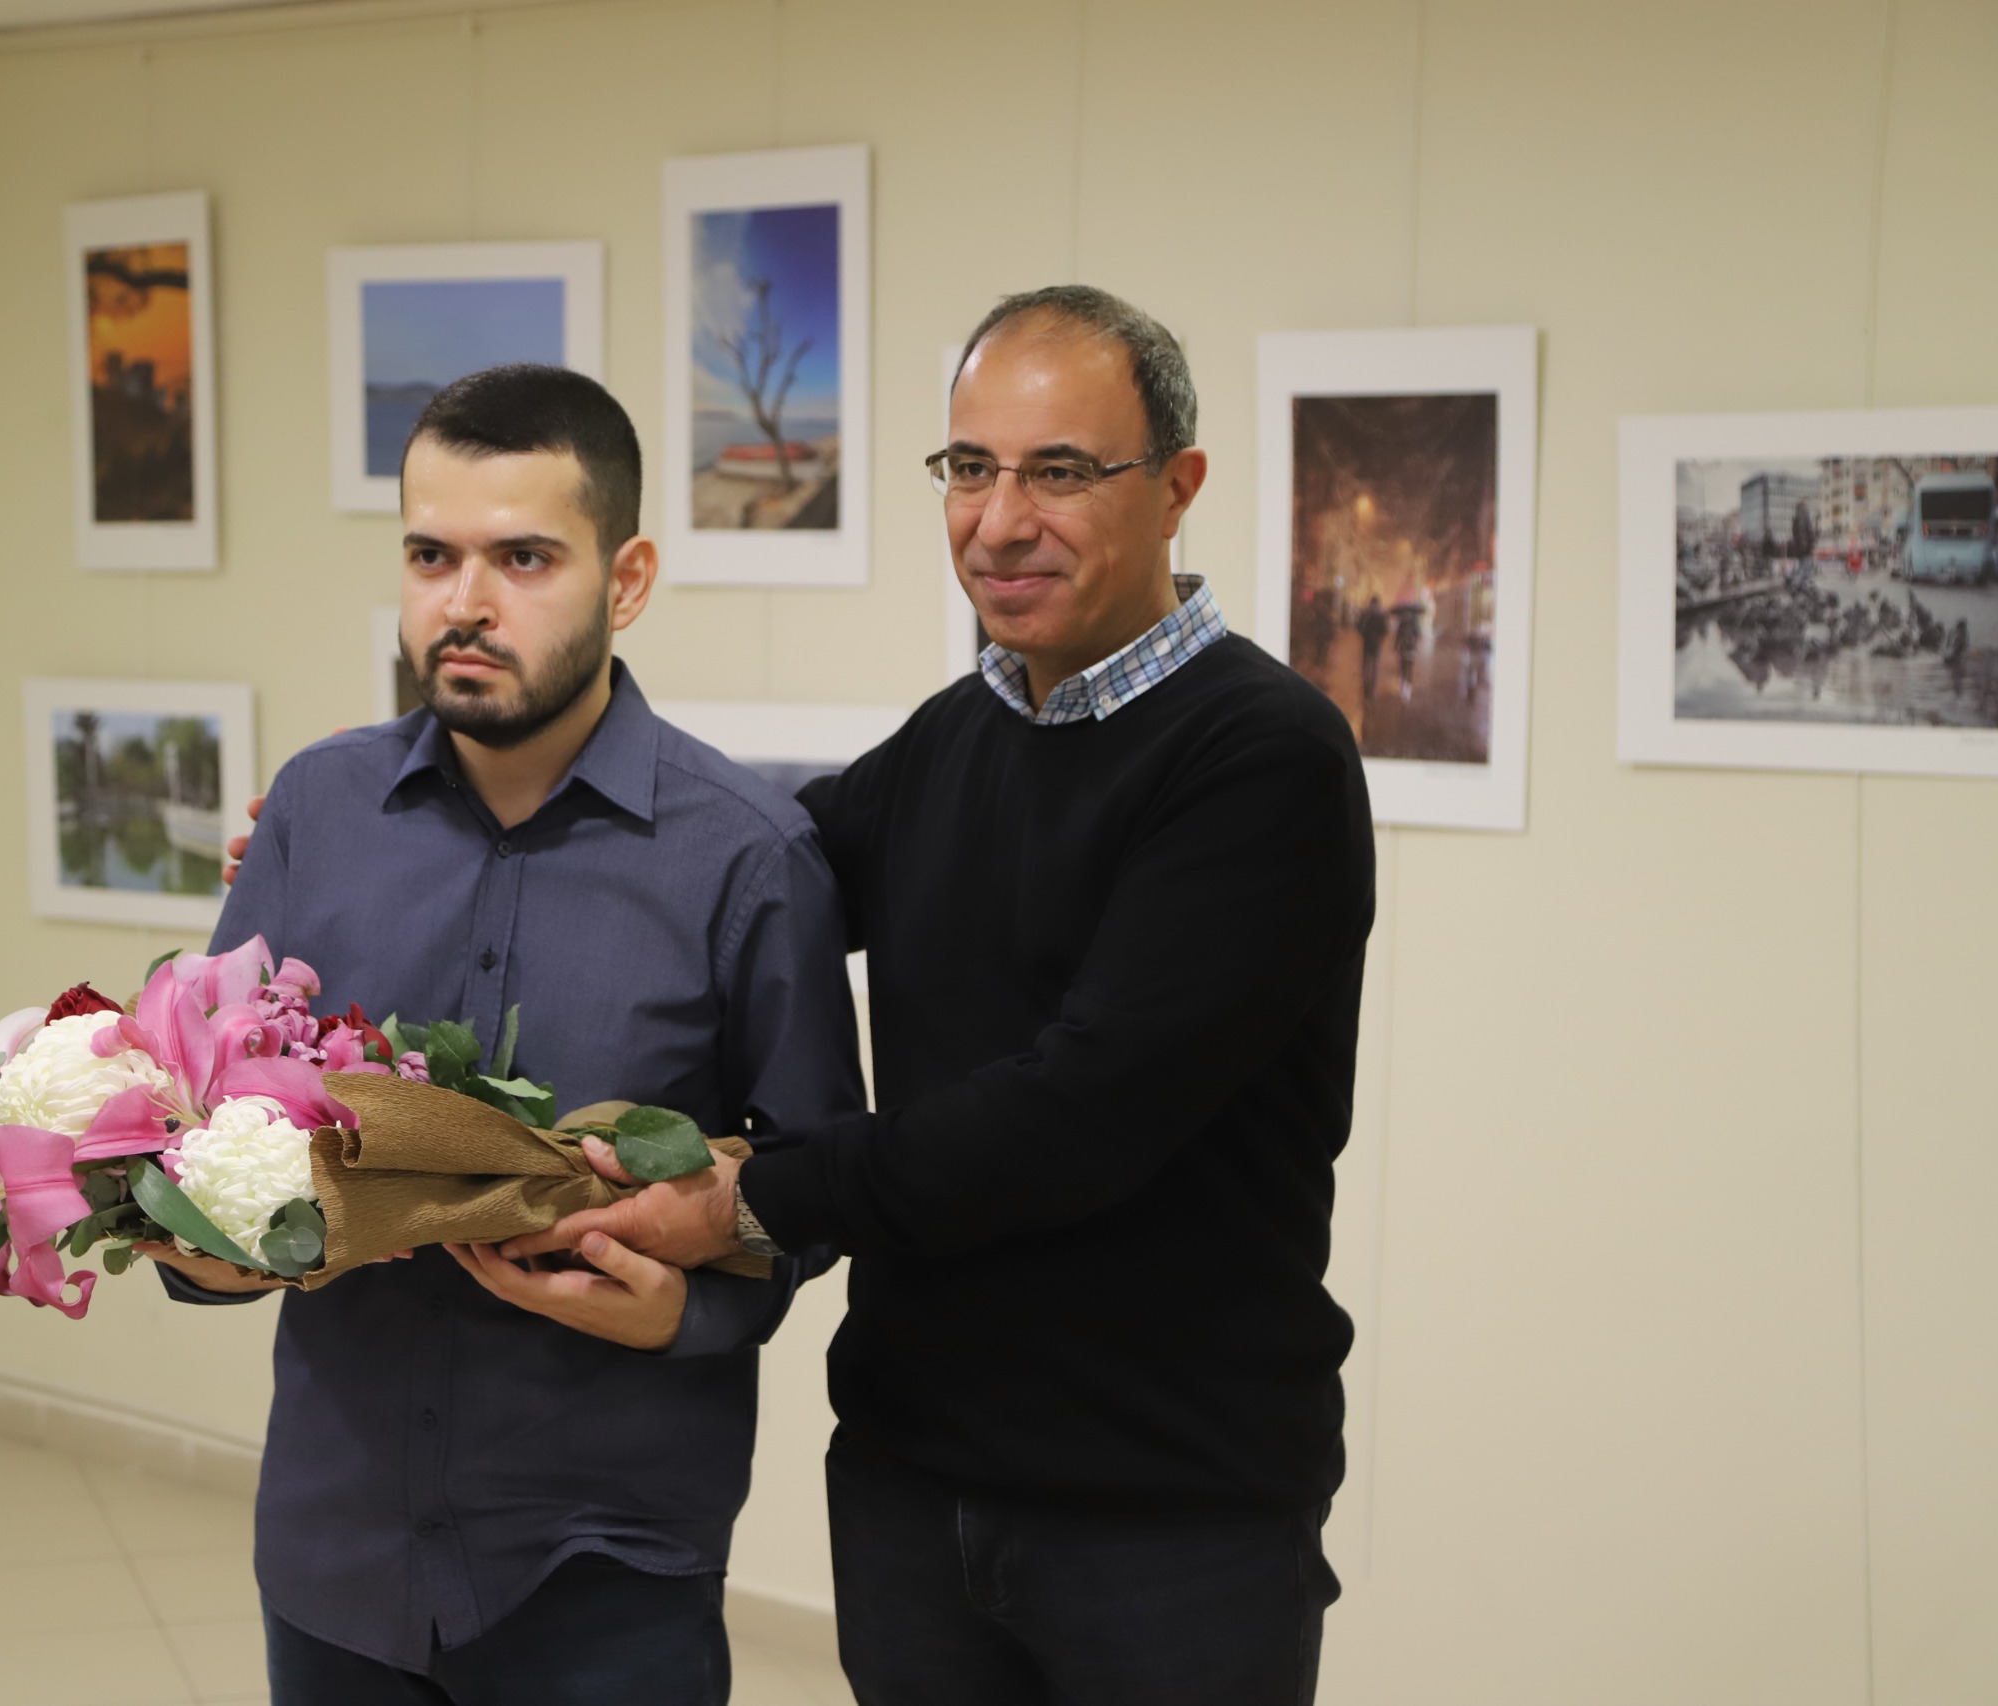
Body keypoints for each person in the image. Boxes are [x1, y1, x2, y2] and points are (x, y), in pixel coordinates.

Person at [509, 287, 1376, 1706]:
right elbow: (742, 884)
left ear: (1177, 488)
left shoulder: (1262, 755)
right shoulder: (958, 733)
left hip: (1168, 1519)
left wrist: (747, 1197)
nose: (999, 520)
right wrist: (439, 829)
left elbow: (1078, 1114)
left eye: (1059, 471)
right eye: (971, 467)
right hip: (914, 1486)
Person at [158, 363, 863, 1706]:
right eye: (431, 554)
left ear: (628, 578)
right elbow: (205, 1111)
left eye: (524, 558)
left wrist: (693, 1312)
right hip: (337, 1553)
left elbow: (817, 1184)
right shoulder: (316, 811)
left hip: (605, 1568)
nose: (465, 602)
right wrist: (198, 1244)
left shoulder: (747, 858)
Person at [1354, 591, 1390, 705]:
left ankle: (1366, 687)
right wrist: (1380, 636)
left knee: (1365, 664)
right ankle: (1372, 689)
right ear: (1378, 602)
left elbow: (1358, 626)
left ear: (1371, 602)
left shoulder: (1365, 612)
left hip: (1367, 641)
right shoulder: (1382, 614)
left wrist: (1364, 635)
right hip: (1376, 643)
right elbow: (1385, 630)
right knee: (1375, 665)